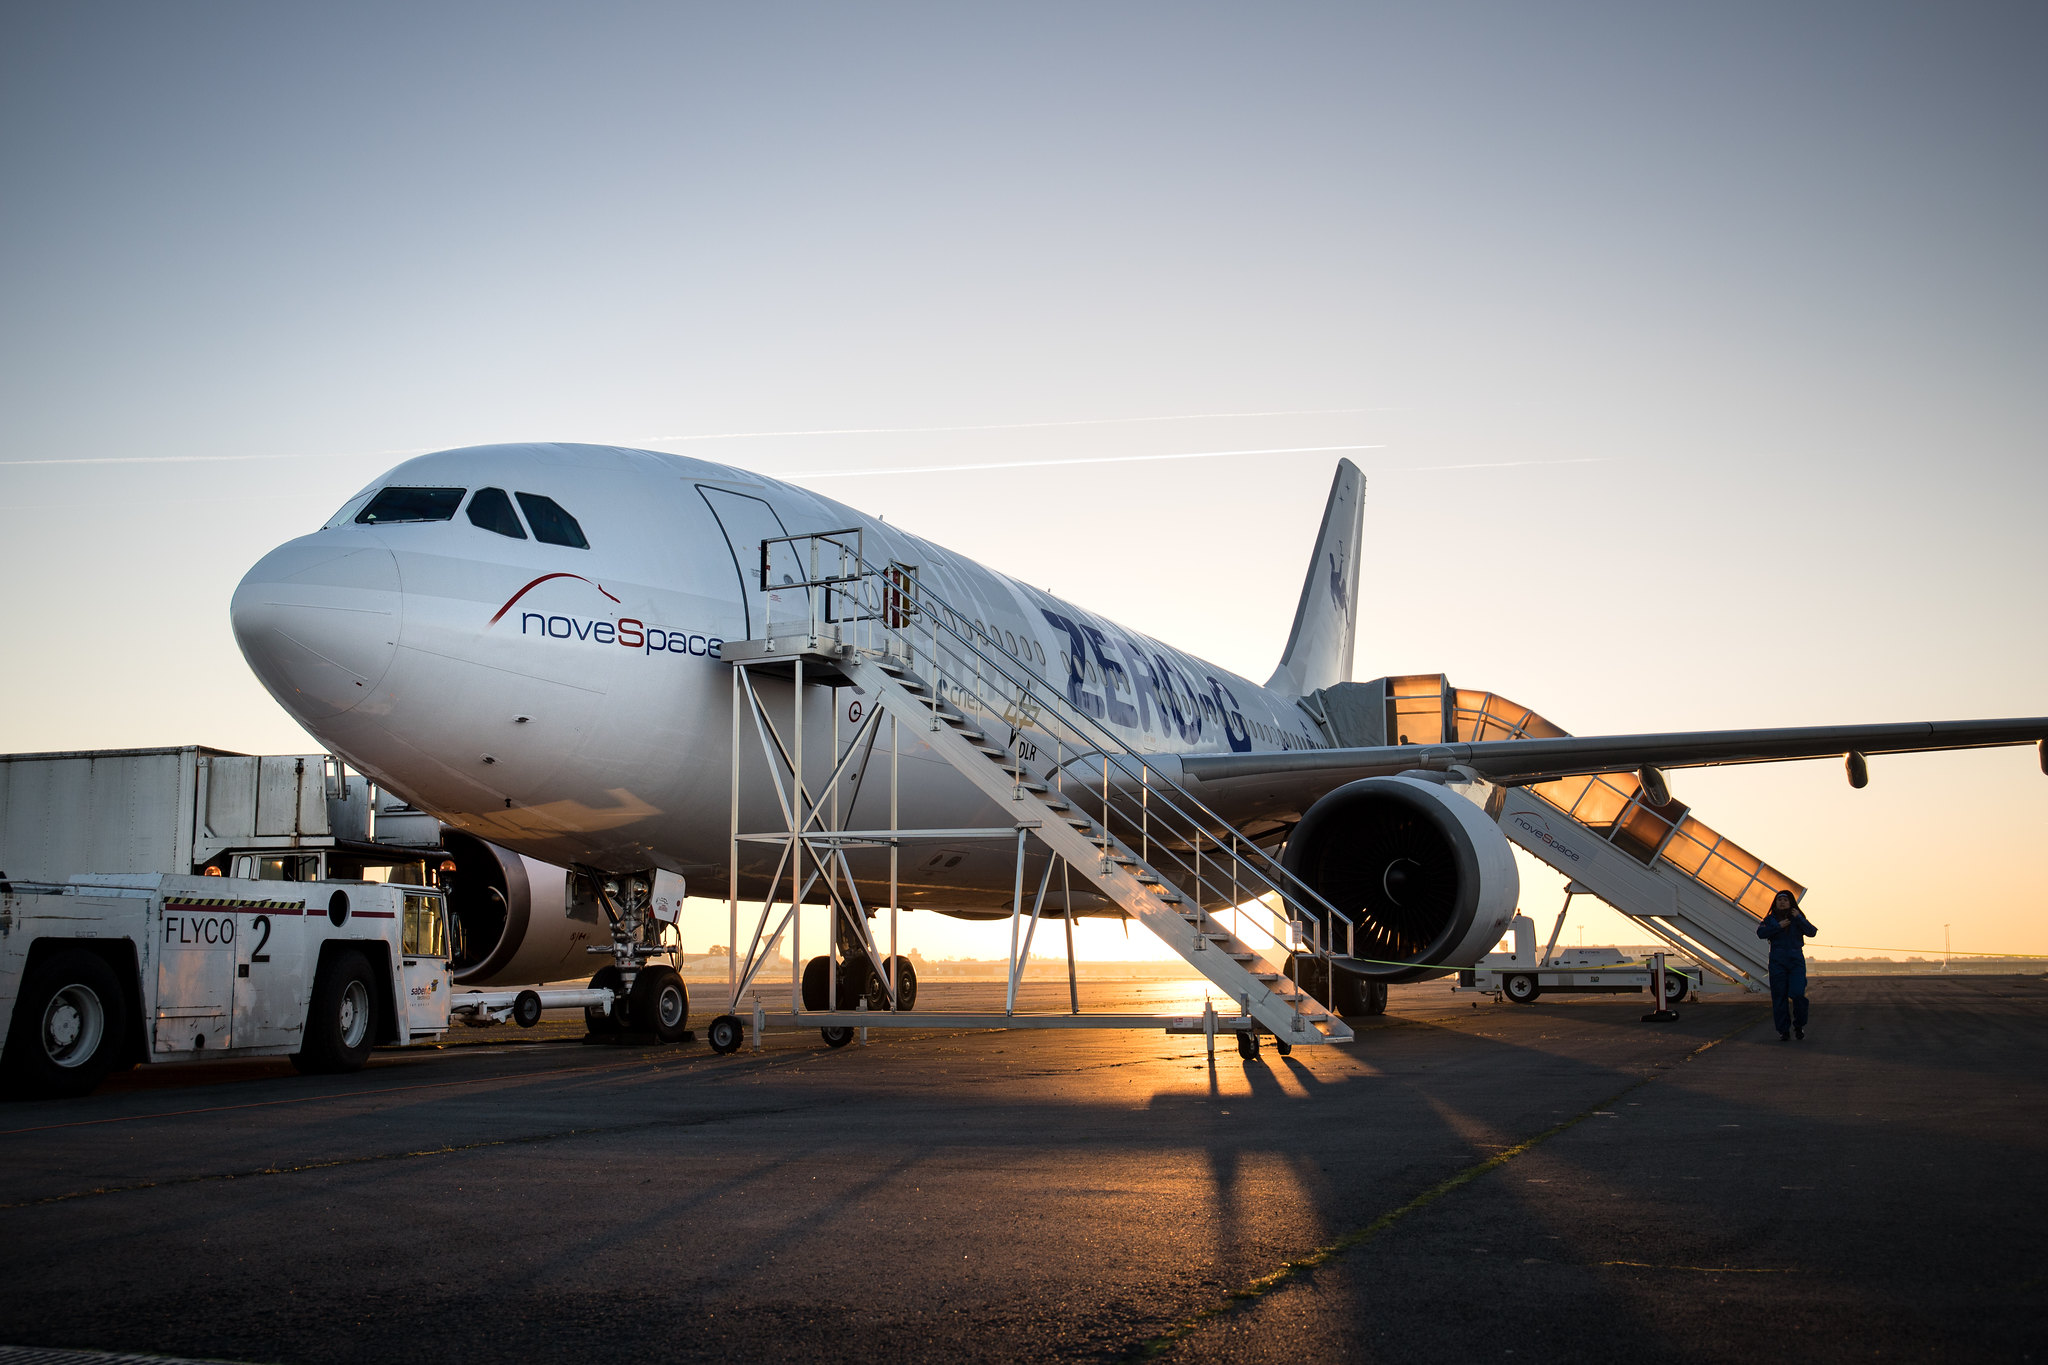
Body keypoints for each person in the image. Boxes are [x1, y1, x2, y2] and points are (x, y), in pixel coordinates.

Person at [1756, 889, 1817, 1040]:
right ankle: (1784, 1030)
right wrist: (1778, 926)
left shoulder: (1798, 917)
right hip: (1777, 960)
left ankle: (1799, 1025)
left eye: (1785, 900)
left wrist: (1799, 918)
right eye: (1779, 900)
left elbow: (1812, 932)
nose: (1782, 902)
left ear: (1791, 903)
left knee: (1797, 993)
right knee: (1779, 997)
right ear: (1775, 903)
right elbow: (1760, 933)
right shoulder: (1770, 920)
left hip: (1796, 959)